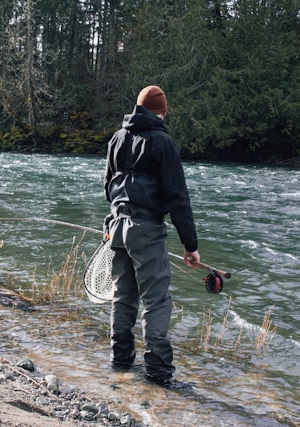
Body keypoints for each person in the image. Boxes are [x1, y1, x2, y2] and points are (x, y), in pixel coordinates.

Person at [103, 85, 200, 390]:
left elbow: (108, 186)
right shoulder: (162, 142)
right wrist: (190, 246)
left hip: (116, 227)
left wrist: (117, 217)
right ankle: (158, 372)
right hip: (146, 229)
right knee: (156, 301)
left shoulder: (117, 138)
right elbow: (177, 197)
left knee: (123, 296)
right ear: (162, 111)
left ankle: (120, 362)